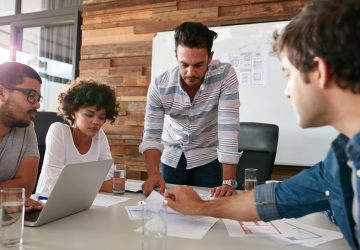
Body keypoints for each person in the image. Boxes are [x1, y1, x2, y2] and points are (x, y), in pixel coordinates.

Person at [164, 0, 360, 249]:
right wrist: (201, 206)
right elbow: (279, 198)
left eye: (289, 75)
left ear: (320, 71)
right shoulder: (341, 158)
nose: (287, 92)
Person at [140, 22, 241, 197]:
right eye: (184, 64)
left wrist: (228, 182)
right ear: (175, 56)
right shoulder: (160, 86)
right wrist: (153, 174)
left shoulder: (225, 75)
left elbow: (228, 129)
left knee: (211, 210)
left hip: (208, 158)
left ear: (210, 58)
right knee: (170, 211)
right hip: (172, 158)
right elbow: (151, 135)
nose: (190, 72)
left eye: (198, 65)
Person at [36, 79, 119, 194]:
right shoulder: (58, 131)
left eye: (101, 117)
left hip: (83, 198)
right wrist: (101, 185)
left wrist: (81, 182)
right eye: (89, 114)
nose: (96, 122)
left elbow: (109, 172)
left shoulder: (99, 136)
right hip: (47, 200)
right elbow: (54, 182)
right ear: (73, 113)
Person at [0, 62, 43, 211]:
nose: (37, 105)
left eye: (38, 98)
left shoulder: (27, 127)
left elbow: (25, 188)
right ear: (2, 93)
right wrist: (7, 195)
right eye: (31, 96)